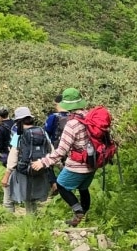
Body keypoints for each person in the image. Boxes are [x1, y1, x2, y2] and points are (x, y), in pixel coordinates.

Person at [30, 87, 95, 227]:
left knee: (61, 185)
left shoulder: (72, 124)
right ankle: (84, 217)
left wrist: (43, 162)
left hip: (78, 164)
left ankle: (78, 212)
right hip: (92, 162)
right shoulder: (89, 118)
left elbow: (61, 150)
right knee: (83, 188)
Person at [3, 106, 55, 214]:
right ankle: (32, 218)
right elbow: (52, 151)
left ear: (18, 122)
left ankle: (8, 215)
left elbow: (13, 157)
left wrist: (6, 175)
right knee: (31, 197)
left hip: (23, 170)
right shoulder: (42, 132)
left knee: (10, 189)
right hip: (40, 168)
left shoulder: (19, 135)